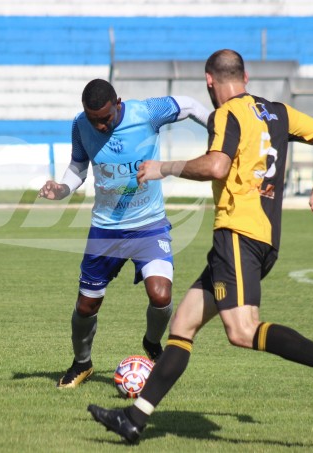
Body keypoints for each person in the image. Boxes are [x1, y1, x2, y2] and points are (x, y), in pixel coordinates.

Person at [87, 49, 313, 443]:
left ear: (209, 81)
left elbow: (217, 166)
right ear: (246, 76)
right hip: (263, 236)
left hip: (237, 233)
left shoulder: (226, 114)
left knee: (241, 330)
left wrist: (162, 168)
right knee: (182, 326)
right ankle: (134, 419)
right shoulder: (278, 112)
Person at [38, 79, 210, 388]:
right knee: (86, 306)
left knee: (161, 295)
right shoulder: (80, 125)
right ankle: (82, 363)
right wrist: (62, 188)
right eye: (94, 120)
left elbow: (189, 104)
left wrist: (219, 130)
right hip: (105, 230)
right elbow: (78, 167)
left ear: (118, 103)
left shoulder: (147, 112)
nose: (100, 126)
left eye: (105, 117)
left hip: (149, 224)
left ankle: (152, 343)